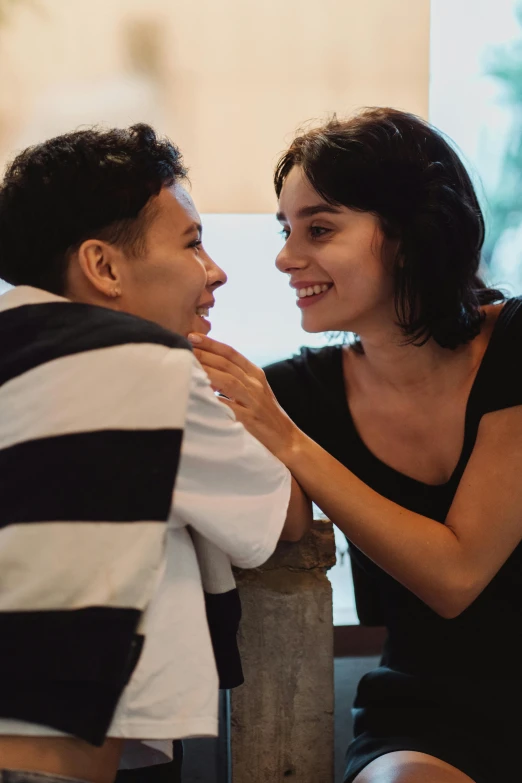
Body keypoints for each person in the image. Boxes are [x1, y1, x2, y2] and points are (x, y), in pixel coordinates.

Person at [188, 107, 522, 783]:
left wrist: (290, 441)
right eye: (286, 229)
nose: (285, 256)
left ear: (406, 233)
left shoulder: (515, 342)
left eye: (319, 228)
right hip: (424, 716)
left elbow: (457, 576)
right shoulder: (295, 393)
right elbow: (269, 520)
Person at [0, 124, 311, 783]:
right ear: (103, 266)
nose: (217, 270)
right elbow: (282, 519)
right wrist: (270, 417)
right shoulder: (145, 366)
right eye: (194, 242)